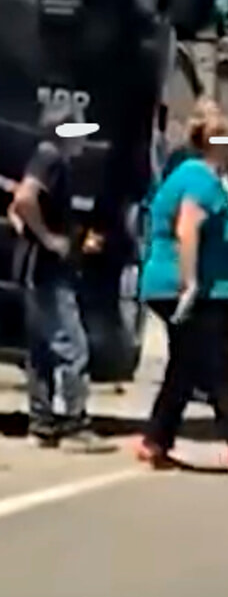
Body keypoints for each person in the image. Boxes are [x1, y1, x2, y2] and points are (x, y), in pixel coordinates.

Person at [137, 99, 228, 472]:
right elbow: (189, 228)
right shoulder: (198, 177)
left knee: (184, 368)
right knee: (218, 367)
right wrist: (190, 284)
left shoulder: (217, 180)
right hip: (195, 290)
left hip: (212, 288)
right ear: (215, 140)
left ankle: (156, 440)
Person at [10, 103, 114, 452]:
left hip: (31, 268)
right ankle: (74, 424)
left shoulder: (44, 157)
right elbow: (25, 200)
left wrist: (36, 231)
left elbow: (17, 204)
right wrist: (49, 238)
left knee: (41, 349)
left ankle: (41, 424)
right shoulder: (51, 157)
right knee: (73, 346)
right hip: (46, 272)